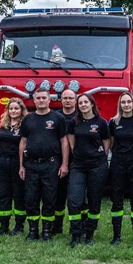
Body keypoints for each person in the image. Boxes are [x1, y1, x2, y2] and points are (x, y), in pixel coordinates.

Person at [19, 87, 69, 242]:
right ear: (34, 100)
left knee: (49, 197)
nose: (41, 100)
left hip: (51, 164)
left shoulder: (58, 118)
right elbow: (23, 142)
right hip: (31, 164)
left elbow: (64, 142)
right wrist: (21, 165)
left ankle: (47, 230)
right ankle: (33, 230)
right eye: (38, 98)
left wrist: (64, 164)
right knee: (31, 198)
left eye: (43, 98)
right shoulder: (28, 118)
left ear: (49, 100)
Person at [66, 93, 110, 247]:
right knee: (74, 200)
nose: (83, 105)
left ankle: (89, 234)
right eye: (80, 103)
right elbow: (72, 143)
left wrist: (97, 157)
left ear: (92, 104)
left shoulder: (101, 123)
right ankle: (75, 234)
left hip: (97, 165)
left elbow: (106, 144)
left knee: (94, 201)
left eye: (86, 102)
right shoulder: (74, 122)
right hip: (78, 165)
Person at [108, 92, 133, 246]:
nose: (126, 105)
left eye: (128, 102)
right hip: (118, 162)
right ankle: (116, 236)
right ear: (120, 105)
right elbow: (111, 143)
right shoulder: (114, 122)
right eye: (123, 102)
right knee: (116, 199)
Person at [0, 98, 27, 236]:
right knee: (3, 194)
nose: (13, 111)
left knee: (19, 194)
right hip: (2, 162)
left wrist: (22, 165)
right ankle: (4, 225)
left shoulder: (25, 125)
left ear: (21, 110)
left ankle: (19, 226)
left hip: (17, 162)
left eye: (16, 108)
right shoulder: (2, 125)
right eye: (11, 108)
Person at [53, 88, 78, 236]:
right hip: (58, 161)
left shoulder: (80, 116)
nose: (67, 100)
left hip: (77, 162)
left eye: (70, 98)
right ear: (61, 100)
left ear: (75, 100)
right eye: (65, 98)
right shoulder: (56, 117)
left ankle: (77, 227)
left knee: (76, 196)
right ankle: (57, 227)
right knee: (58, 195)